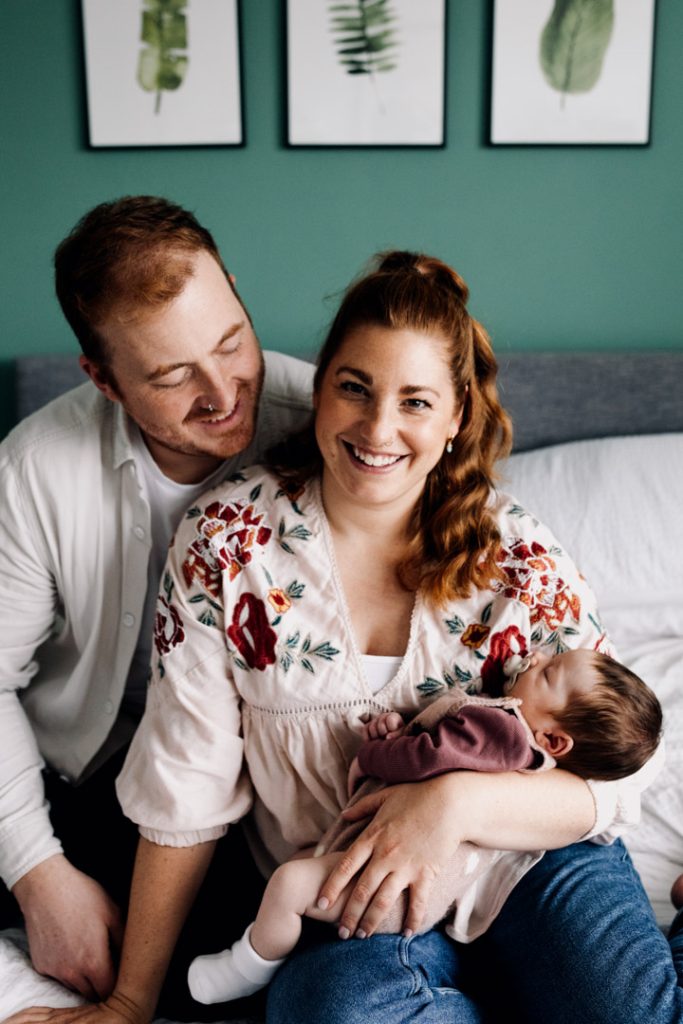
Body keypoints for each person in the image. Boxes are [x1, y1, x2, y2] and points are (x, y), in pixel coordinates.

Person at [14, 249, 681, 1024]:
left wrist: (454, 807)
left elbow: (617, 777)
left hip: (531, 861)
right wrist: (132, 1001)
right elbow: (183, 787)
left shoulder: (518, 555)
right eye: (354, 389)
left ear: (457, 414)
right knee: (341, 1013)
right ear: (317, 387)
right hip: (347, 885)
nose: (377, 429)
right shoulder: (229, 545)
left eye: (415, 402)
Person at [0, 195, 313, 1007]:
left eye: (230, 342)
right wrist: (38, 875)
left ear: (238, 295)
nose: (221, 393)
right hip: (80, 777)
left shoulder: (330, 423)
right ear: (102, 379)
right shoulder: (34, 468)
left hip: (253, 804)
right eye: (173, 377)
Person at [186, 647, 662, 1004]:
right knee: (301, 875)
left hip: (401, 883)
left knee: (290, 884)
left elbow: (427, 757)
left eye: (548, 672)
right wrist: (402, 727)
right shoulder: (520, 743)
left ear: (554, 739)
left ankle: (247, 967)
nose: (535, 657)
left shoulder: (504, 730)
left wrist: (376, 751)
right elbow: (447, 742)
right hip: (414, 872)